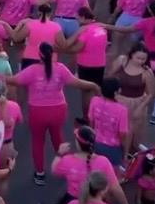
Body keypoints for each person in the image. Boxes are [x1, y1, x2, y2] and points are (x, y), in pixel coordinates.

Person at [6, 42, 100, 185]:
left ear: (40, 55)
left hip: (37, 111)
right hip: (58, 110)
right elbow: (76, 82)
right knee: (57, 136)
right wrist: (93, 85)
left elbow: (12, 80)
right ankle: (64, 167)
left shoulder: (32, 70)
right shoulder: (60, 69)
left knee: (38, 141)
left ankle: (39, 174)